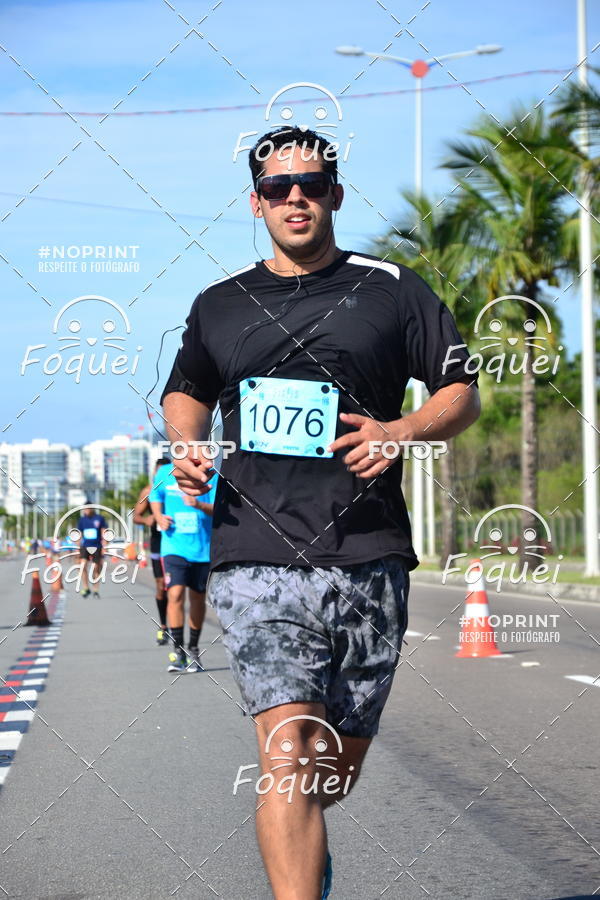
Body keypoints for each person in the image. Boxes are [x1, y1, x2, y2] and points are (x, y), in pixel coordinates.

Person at [160, 126, 480, 900]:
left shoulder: (392, 288)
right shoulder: (219, 304)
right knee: (290, 753)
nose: (294, 197)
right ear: (257, 202)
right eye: (278, 187)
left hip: (368, 553)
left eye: (309, 184)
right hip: (255, 554)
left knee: (331, 769)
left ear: (335, 194)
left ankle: (307, 844)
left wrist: (402, 430)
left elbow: (461, 392)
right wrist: (186, 445)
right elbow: (185, 392)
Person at [149, 462, 215, 672]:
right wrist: (158, 516)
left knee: (197, 598)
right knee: (175, 594)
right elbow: (154, 496)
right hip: (173, 546)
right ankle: (178, 652)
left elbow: (218, 509)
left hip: (202, 549)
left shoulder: (211, 473)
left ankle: (193, 648)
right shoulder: (165, 471)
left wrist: (198, 505)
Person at [133, 457, 172, 645]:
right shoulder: (148, 491)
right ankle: (163, 626)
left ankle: (178, 628)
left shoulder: (178, 489)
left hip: (177, 542)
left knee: (177, 587)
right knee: (161, 585)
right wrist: (146, 520)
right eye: (159, 472)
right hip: (158, 543)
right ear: (155, 473)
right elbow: (136, 516)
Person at [77, 502, 107, 599]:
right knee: (82, 566)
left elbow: (104, 532)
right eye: (85, 509)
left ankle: (95, 589)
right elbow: (79, 534)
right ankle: (86, 588)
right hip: (85, 546)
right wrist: (77, 547)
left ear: (92, 508)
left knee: (96, 568)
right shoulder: (82, 520)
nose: (86, 510)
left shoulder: (99, 518)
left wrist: (104, 547)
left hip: (97, 546)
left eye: (88, 508)